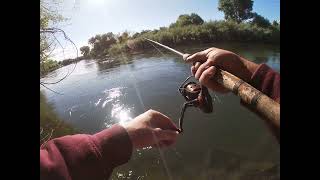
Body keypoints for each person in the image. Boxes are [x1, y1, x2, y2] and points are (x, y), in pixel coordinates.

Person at [40, 47, 280, 180]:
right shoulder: (191, 97)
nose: (190, 88)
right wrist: (248, 72)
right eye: (190, 89)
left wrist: (112, 142)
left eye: (194, 88)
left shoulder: (198, 95)